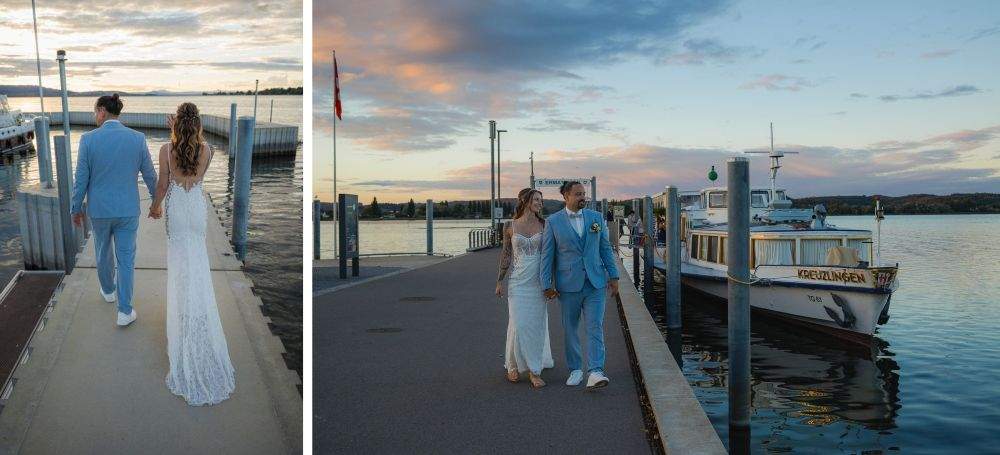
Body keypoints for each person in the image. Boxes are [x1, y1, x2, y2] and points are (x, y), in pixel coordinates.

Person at [150, 102, 235, 406]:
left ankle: (183, 313)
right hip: (196, 210)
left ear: (175, 124)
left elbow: (163, 184)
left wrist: (155, 207)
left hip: (177, 210)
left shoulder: (164, 150)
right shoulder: (209, 150)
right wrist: (182, 132)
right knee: (197, 263)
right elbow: (195, 177)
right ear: (198, 124)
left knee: (179, 264)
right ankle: (197, 312)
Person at [71, 94, 157, 326]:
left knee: (102, 251)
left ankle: (108, 291)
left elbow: (80, 179)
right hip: (128, 209)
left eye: (94, 112)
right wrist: (156, 203)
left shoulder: (88, 140)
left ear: (101, 111)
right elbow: (150, 174)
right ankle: (125, 311)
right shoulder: (137, 138)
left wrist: (75, 207)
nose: (94, 116)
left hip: (99, 210)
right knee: (126, 259)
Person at [540, 181, 620, 390]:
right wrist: (546, 283)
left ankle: (595, 371)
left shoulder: (595, 218)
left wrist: (614, 276)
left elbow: (604, 248)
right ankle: (575, 369)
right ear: (566, 196)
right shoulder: (553, 222)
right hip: (568, 285)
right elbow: (547, 256)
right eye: (578, 194)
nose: (582, 197)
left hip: (595, 283)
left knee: (595, 326)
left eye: (584, 193)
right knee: (571, 330)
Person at [496, 188, 553, 388]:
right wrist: (499, 281)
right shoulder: (510, 226)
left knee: (535, 327)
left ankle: (534, 370)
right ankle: (513, 364)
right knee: (519, 324)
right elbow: (506, 255)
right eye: (537, 199)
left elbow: (551, 256)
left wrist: (552, 283)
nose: (540, 203)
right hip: (517, 283)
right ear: (525, 201)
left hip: (538, 284)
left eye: (541, 200)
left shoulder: (545, 225)